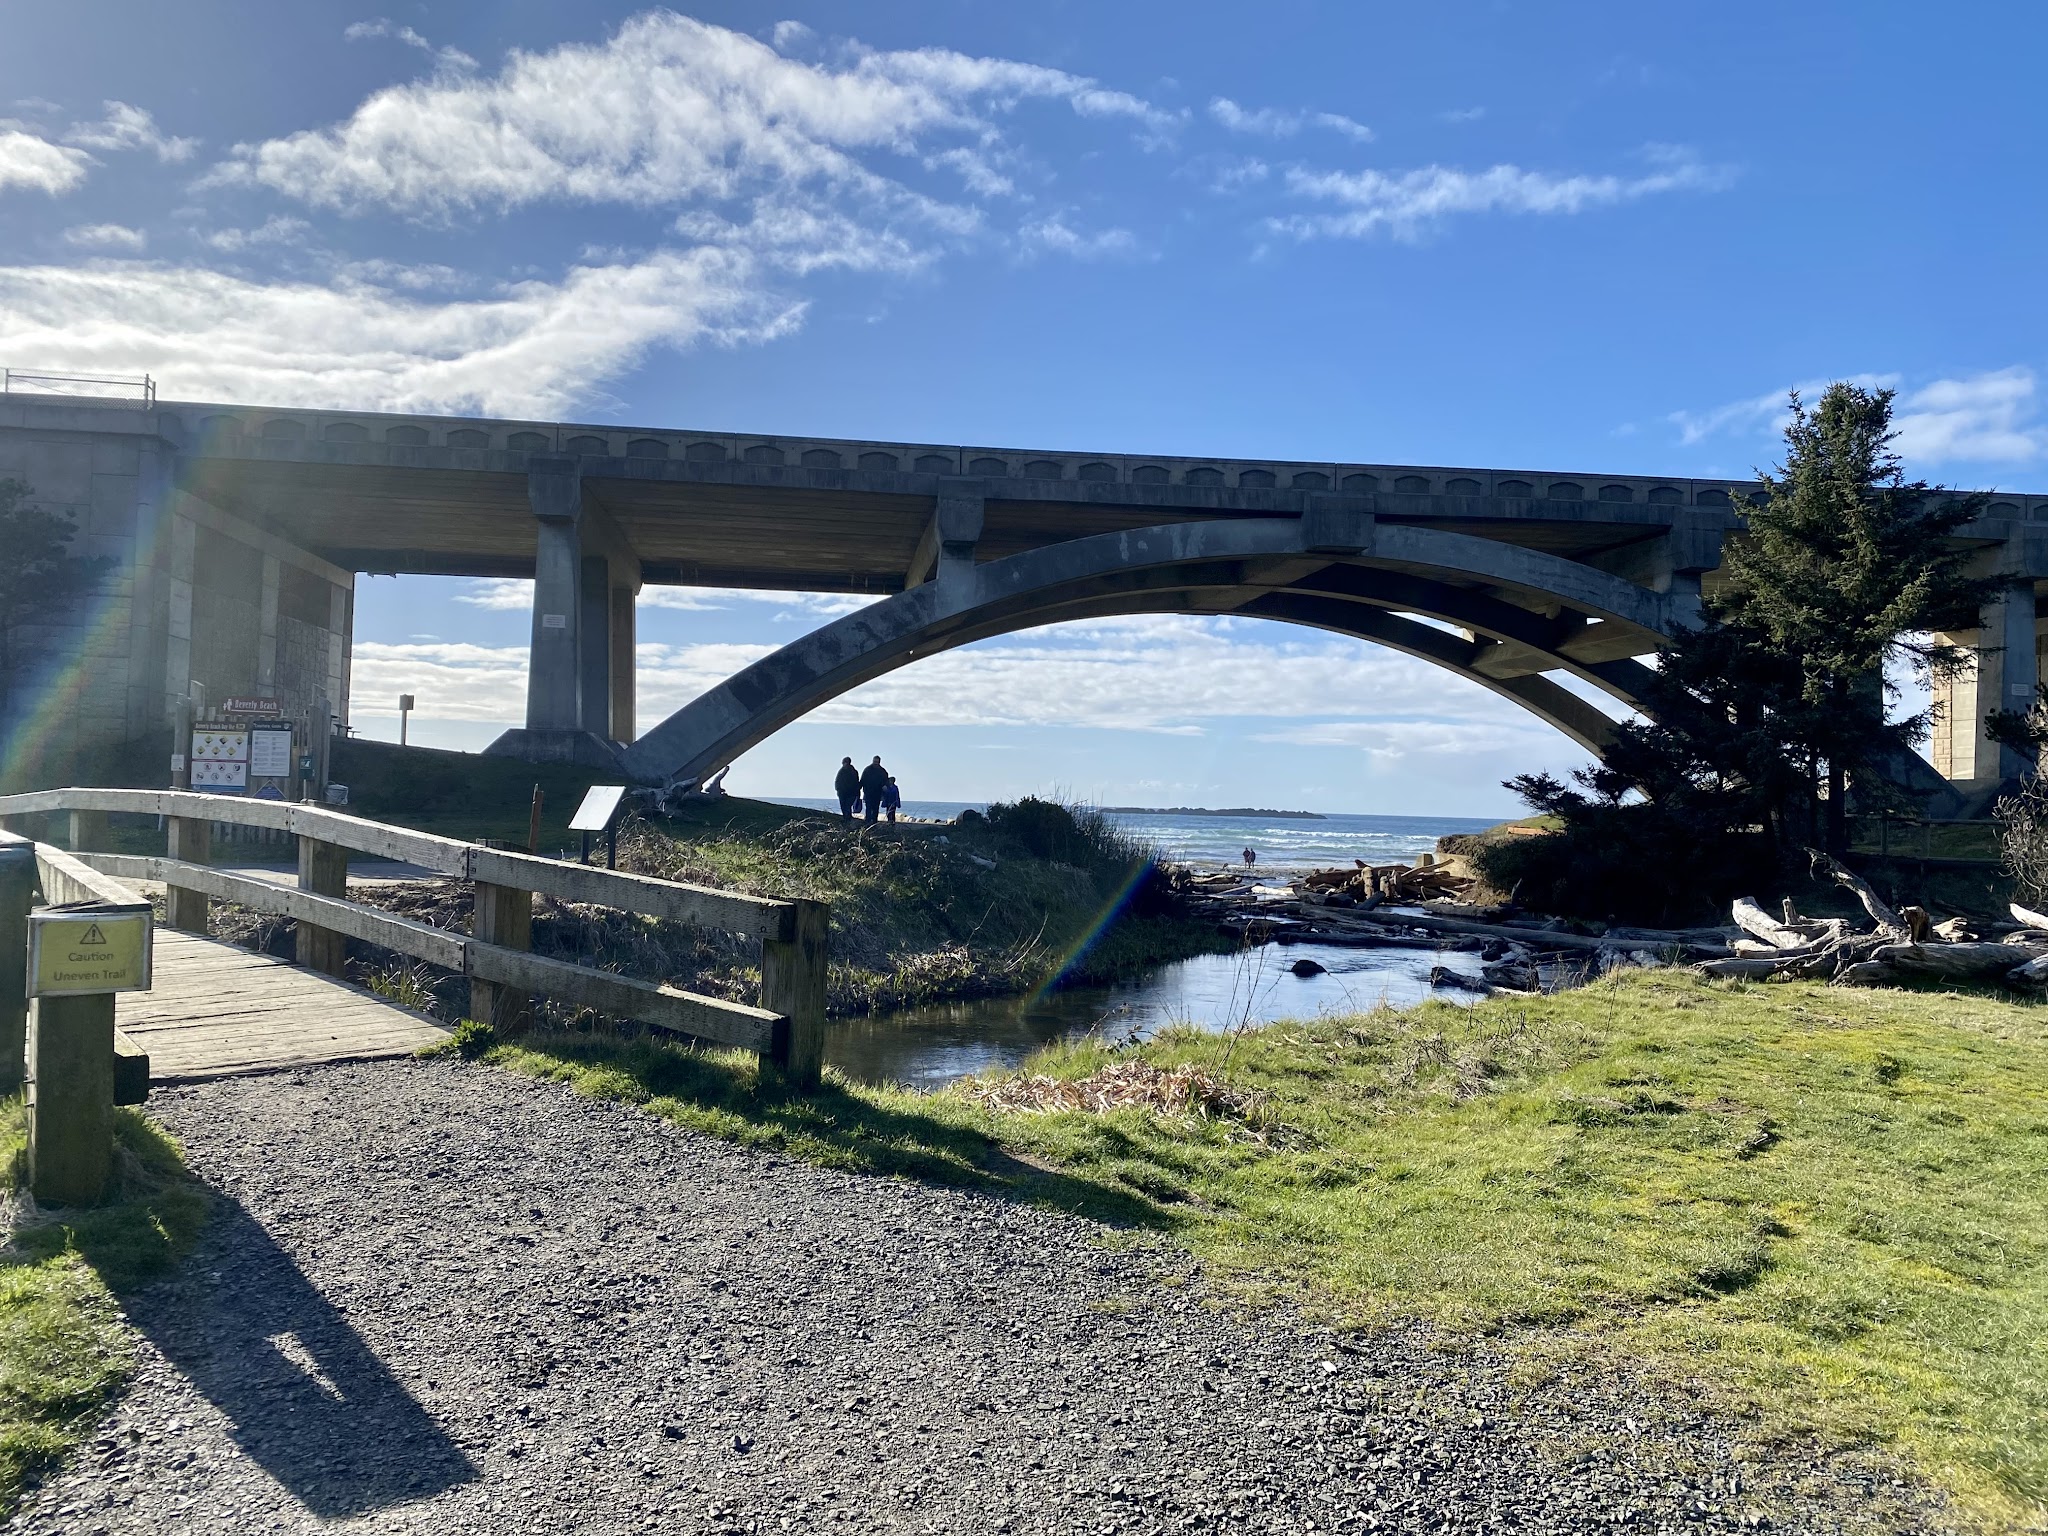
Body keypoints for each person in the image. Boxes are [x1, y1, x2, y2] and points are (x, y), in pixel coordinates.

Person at [859, 755, 889, 825]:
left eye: (877, 762)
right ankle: (867, 822)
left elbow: (886, 781)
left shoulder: (882, 771)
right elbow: (862, 780)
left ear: (879, 762)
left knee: (875, 808)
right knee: (868, 807)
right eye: (875, 761)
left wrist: (884, 786)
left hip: (877, 793)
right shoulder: (867, 770)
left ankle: (874, 822)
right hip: (868, 792)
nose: (876, 763)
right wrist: (858, 789)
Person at [834, 756, 860, 821]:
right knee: (845, 807)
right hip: (843, 793)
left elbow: (856, 783)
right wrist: (838, 790)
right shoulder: (843, 771)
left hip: (850, 793)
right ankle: (847, 818)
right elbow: (837, 782)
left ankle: (847, 819)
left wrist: (857, 792)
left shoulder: (852, 771)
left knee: (847, 806)